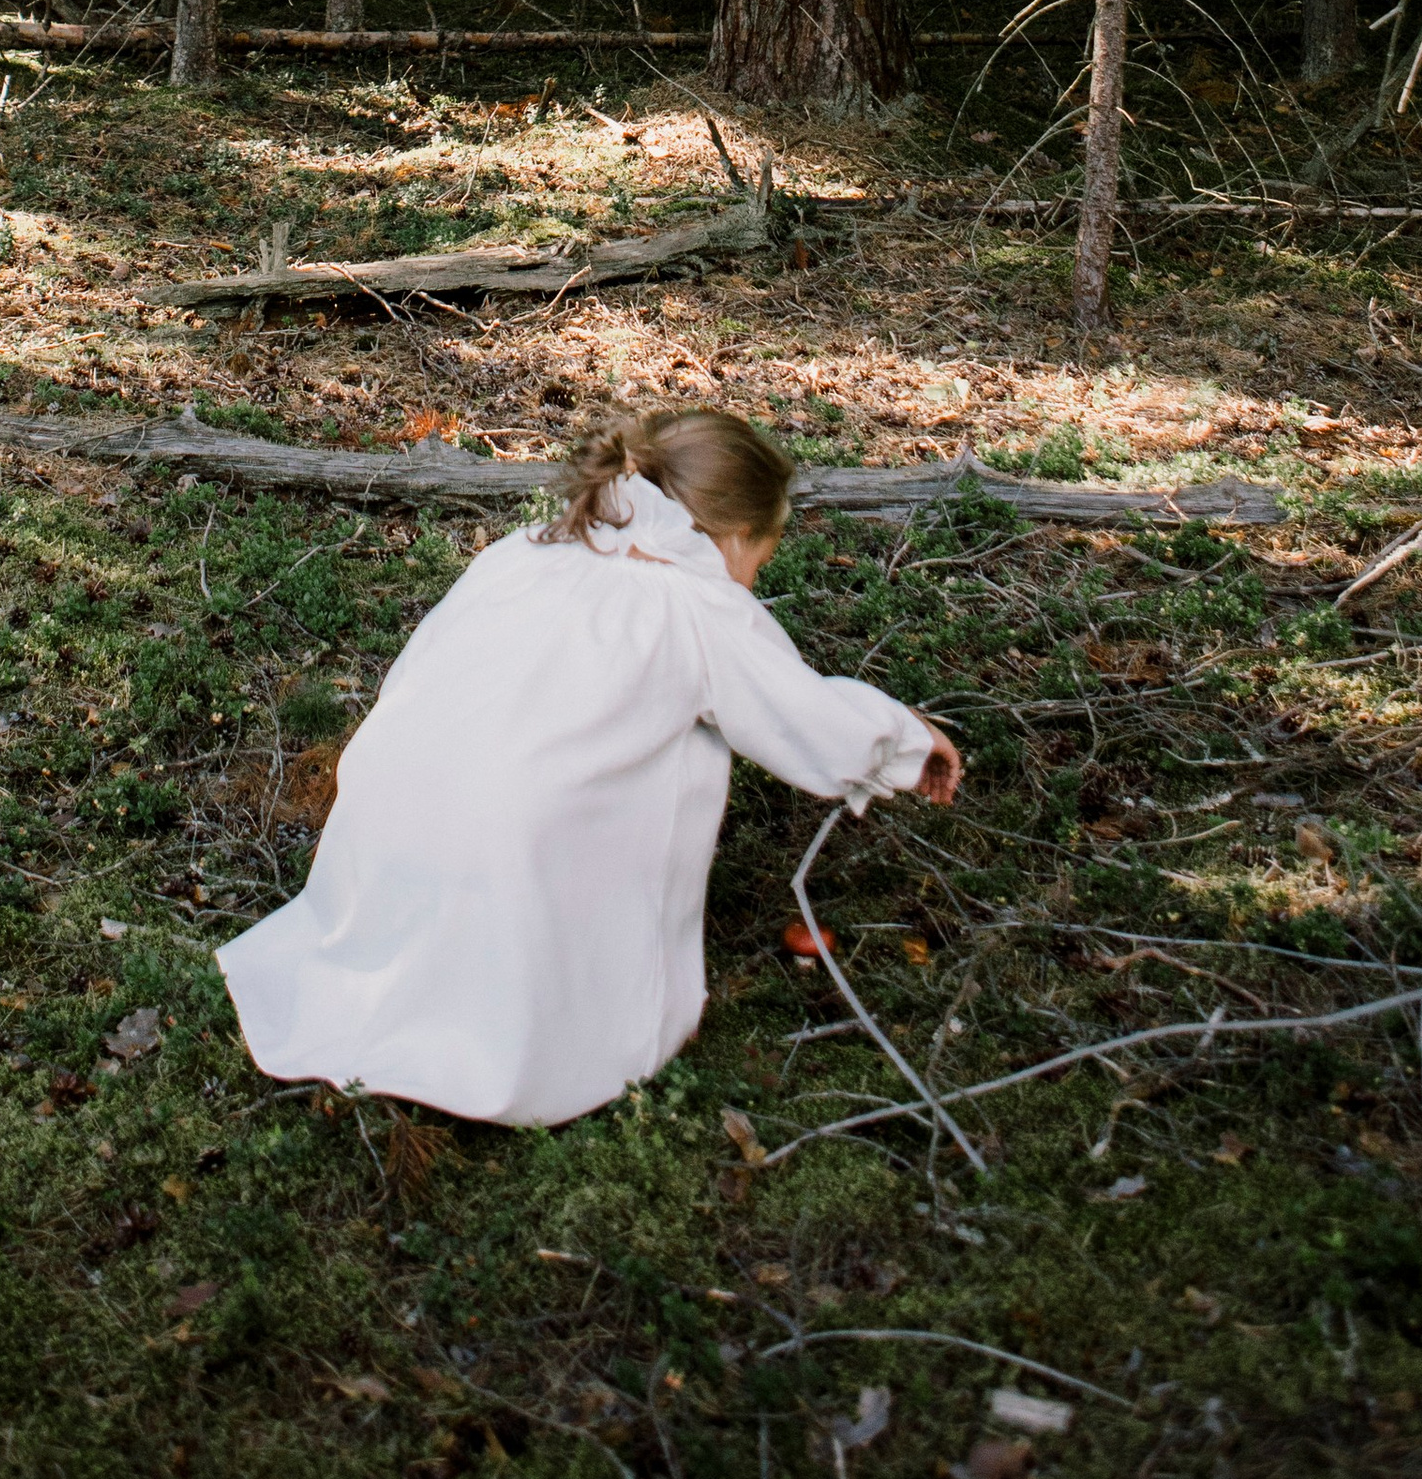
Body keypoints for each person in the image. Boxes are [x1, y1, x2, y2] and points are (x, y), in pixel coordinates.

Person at [220, 404, 962, 1129]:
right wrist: (907, 742)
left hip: (389, 821)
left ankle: (409, 975)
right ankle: (594, 1011)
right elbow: (804, 718)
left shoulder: (532, 548)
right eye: (761, 562)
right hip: (511, 850)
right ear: (735, 538)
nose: (755, 584)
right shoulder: (695, 605)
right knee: (666, 749)